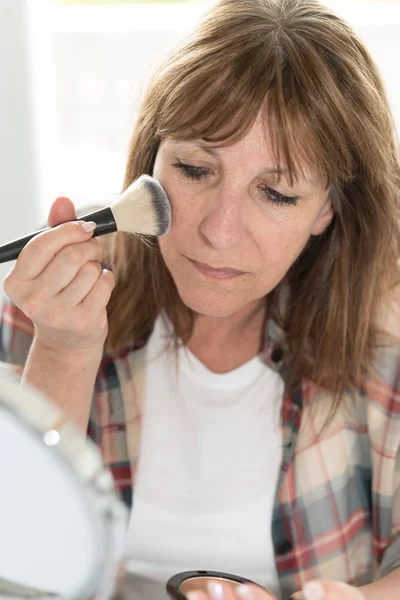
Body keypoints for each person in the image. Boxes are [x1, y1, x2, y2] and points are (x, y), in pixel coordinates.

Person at [1, 0, 399, 599]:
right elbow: (19, 561)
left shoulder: (385, 335)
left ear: (328, 209)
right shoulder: (58, 295)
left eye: (277, 194)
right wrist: (64, 349)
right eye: (193, 169)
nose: (220, 230)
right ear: (151, 162)